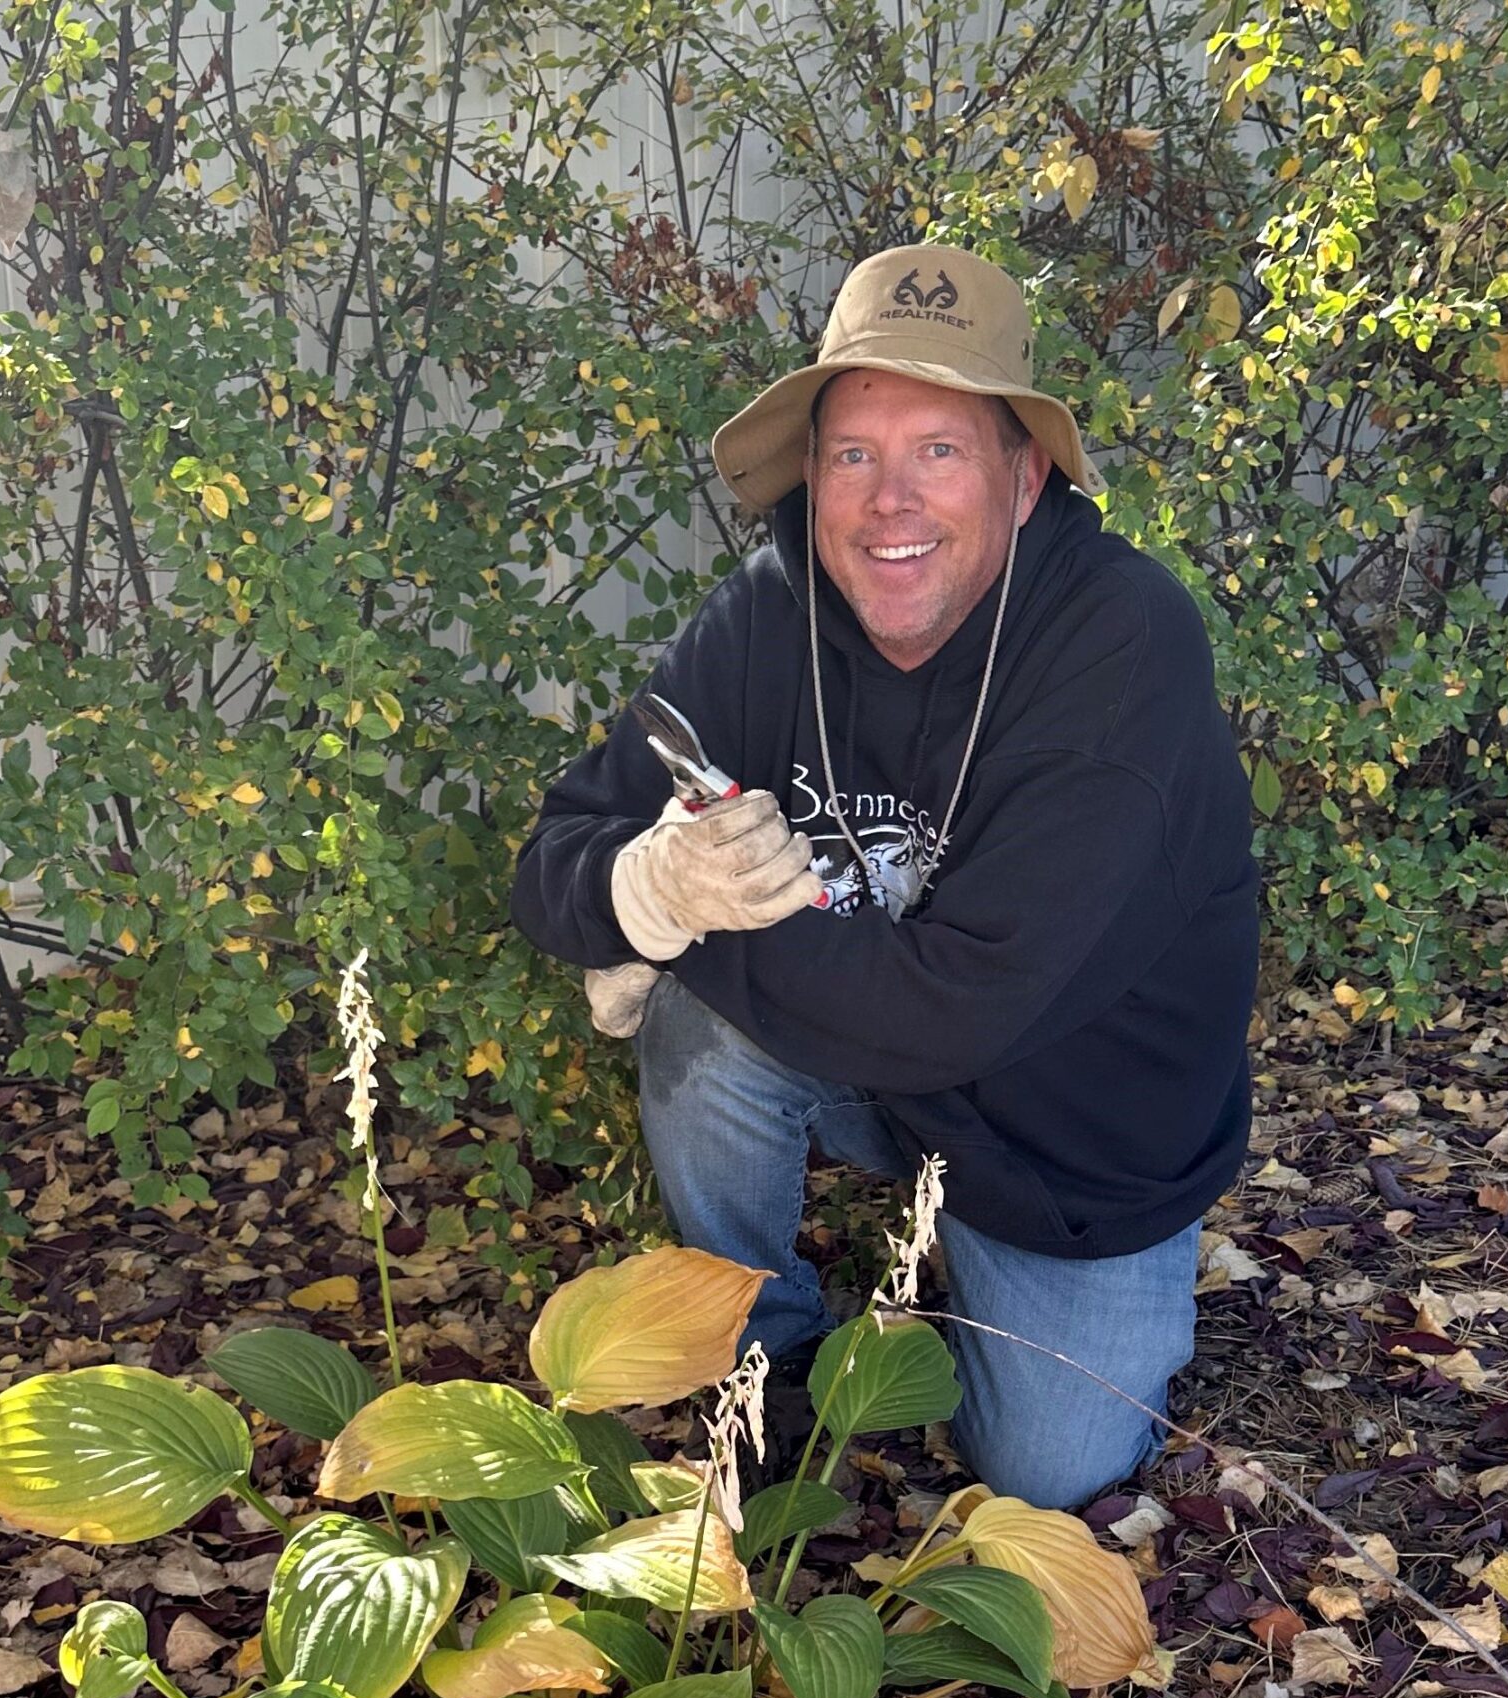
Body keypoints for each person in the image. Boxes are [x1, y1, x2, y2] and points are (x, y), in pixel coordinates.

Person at [511, 244, 1257, 1510]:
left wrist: (687, 930)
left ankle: (1023, 1308)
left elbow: (953, 1005)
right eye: (854, 454)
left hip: (1076, 1144)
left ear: (1023, 480)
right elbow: (556, 857)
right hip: (881, 1064)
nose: (888, 502)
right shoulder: (769, 609)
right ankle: (770, 1351)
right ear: (811, 476)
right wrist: (645, 888)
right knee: (702, 1022)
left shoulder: (1122, 648)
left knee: (1046, 1473)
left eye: (939, 451)